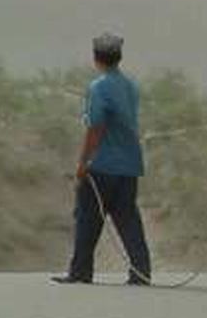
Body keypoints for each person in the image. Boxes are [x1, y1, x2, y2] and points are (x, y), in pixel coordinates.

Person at [53, 32, 151, 286]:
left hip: (102, 166)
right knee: (128, 219)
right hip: (129, 165)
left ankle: (80, 272)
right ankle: (141, 272)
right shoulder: (130, 86)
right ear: (119, 58)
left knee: (87, 217)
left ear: (96, 58)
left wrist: (83, 163)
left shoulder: (98, 87)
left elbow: (95, 128)